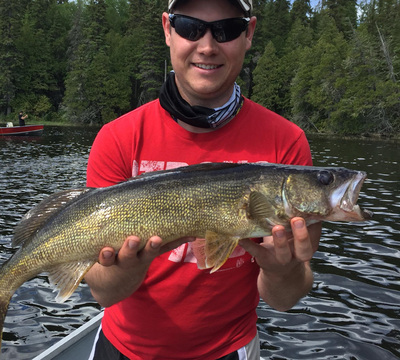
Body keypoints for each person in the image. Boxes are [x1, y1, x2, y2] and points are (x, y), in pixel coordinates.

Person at [85, 0, 322, 359]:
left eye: (226, 29)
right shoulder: (117, 138)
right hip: (122, 348)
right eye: (190, 27)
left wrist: (281, 271)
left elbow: (284, 299)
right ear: (167, 29)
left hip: (228, 350)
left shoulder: (286, 144)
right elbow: (103, 293)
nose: (208, 46)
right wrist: (129, 269)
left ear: (249, 34)